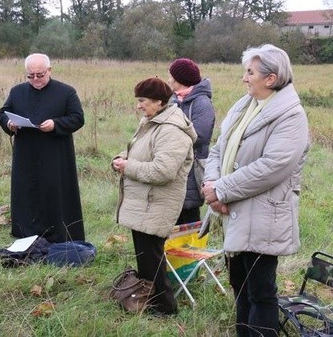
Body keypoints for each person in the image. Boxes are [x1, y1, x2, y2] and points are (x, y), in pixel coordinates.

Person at [200, 44, 310, 336]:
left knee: (261, 293)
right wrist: (212, 186)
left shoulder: (291, 116)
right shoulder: (243, 106)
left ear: (270, 79)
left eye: (250, 72)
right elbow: (217, 151)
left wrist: (221, 190)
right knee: (241, 288)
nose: (244, 78)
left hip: (264, 217)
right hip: (232, 212)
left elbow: (272, 166)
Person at [112, 77, 197, 316]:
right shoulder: (151, 122)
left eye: (142, 101)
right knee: (146, 257)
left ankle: (164, 308)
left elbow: (163, 171)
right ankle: (148, 302)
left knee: (152, 259)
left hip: (156, 203)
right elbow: (137, 151)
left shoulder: (172, 131)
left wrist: (127, 167)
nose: (138, 106)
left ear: (159, 102)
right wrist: (120, 159)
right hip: (144, 202)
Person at [0, 53, 85, 243]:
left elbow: (78, 118)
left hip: (55, 154)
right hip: (25, 154)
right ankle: (25, 232)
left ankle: (57, 234)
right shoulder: (17, 91)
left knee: (54, 191)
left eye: (40, 74)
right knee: (26, 191)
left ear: (49, 70)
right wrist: (10, 124)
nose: (35, 79)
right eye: (31, 76)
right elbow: (2, 113)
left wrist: (55, 124)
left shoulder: (66, 92)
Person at [168, 58, 215, 224]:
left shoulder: (202, 103)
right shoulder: (173, 101)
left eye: (172, 77)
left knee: (188, 215)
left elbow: (201, 135)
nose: (169, 80)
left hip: (192, 169)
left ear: (181, 80)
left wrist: (170, 138)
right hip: (174, 165)